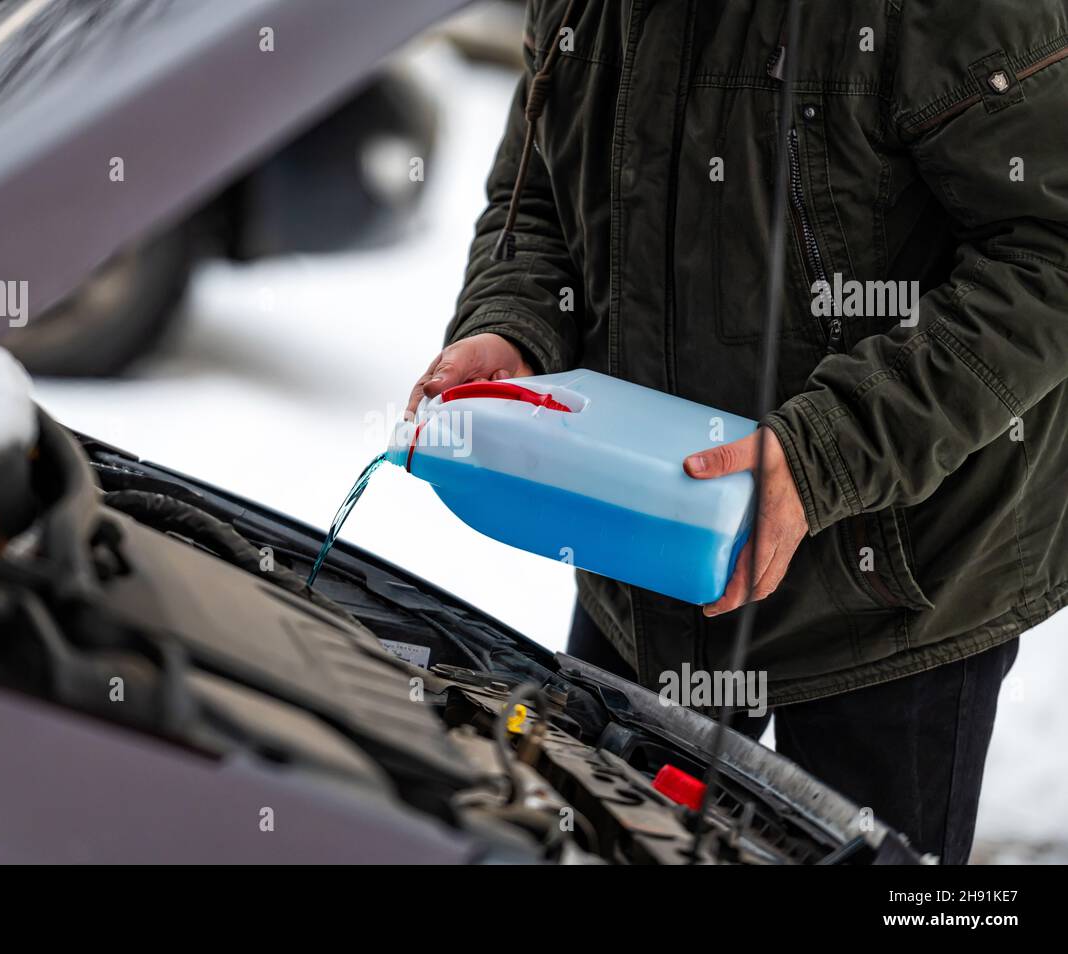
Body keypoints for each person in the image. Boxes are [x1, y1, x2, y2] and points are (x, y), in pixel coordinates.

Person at [405, 0, 1068, 864]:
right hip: (647, 552)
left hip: (900, 590)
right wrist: (514, 324)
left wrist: (827, 452)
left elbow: (1048, 257)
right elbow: (537, 193)